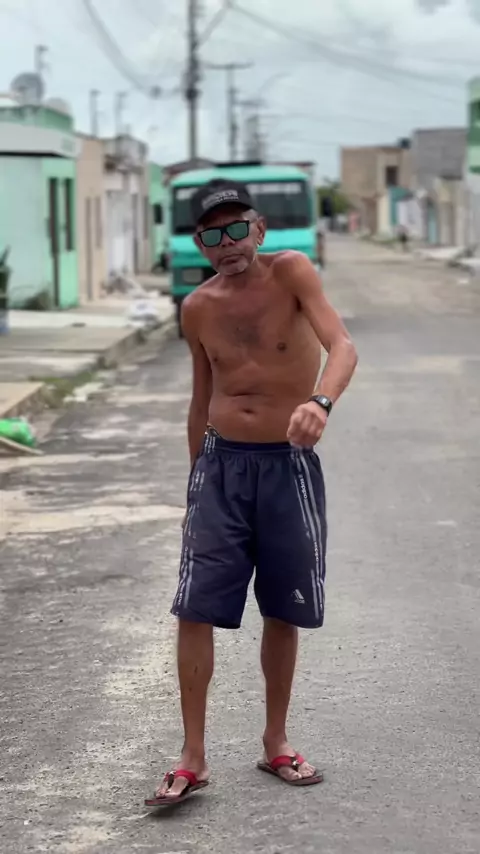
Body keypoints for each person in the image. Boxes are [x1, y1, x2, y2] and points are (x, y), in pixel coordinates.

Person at [145, 178, 358, 807]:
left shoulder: (291, 272)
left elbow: (342, 346)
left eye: (238, 229)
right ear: (199, 244)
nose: (228, 243)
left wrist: (321, 402)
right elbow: (200, 399)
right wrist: (196, 482)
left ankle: (276, 741)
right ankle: (192, 756)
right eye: (213, 235)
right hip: (221, 468)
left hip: (287, 465)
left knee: (283, 606)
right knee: (194, 605)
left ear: (259, 230)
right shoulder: (196, 307)